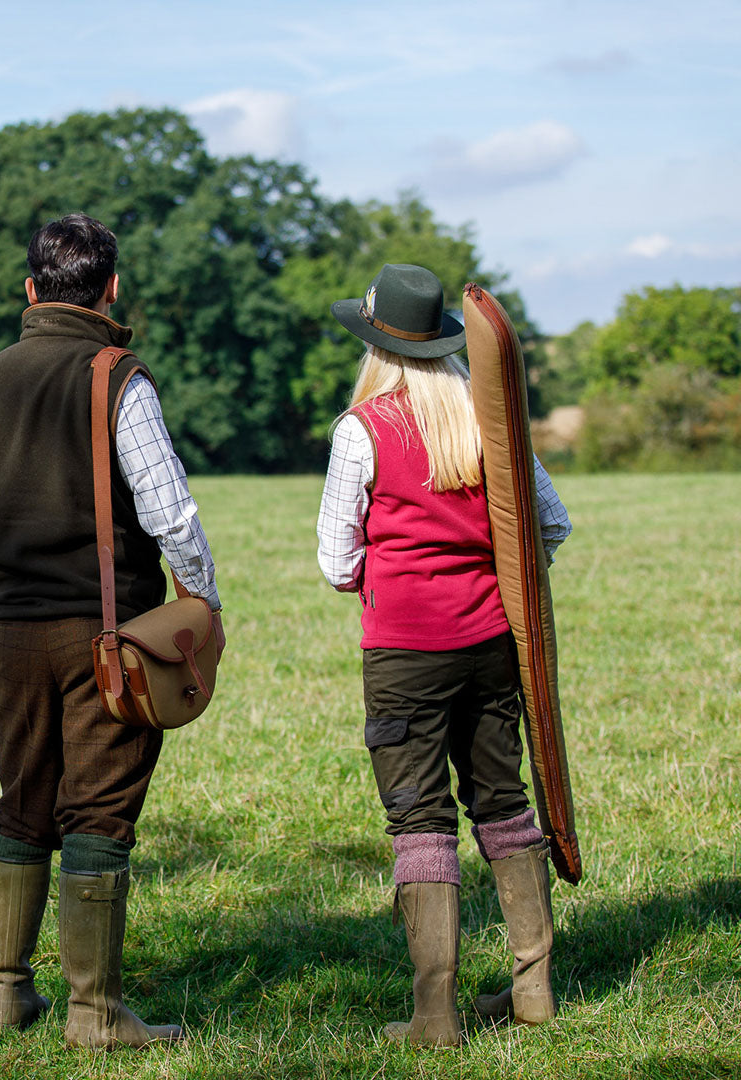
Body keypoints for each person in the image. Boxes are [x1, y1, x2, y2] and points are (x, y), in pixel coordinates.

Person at [0, 213, 224, 1050]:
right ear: (111, 289)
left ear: (31, 291)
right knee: (98, 815)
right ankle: (95, 1015)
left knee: (22, 805)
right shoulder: (118, 377)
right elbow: (169, 510)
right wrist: (201, 603)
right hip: (115, 638)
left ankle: (7, 993)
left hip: (19, 633)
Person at [316, 263, 572, 1046]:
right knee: (502, 799)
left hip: (404, 649)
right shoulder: (487, 419)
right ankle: (534, 988)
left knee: (421, 820)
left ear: (376, 345)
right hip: (492, 641)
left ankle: (435, 1014)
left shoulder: (361, 429)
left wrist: (392, 580)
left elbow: (335, 562)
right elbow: (549, 526)